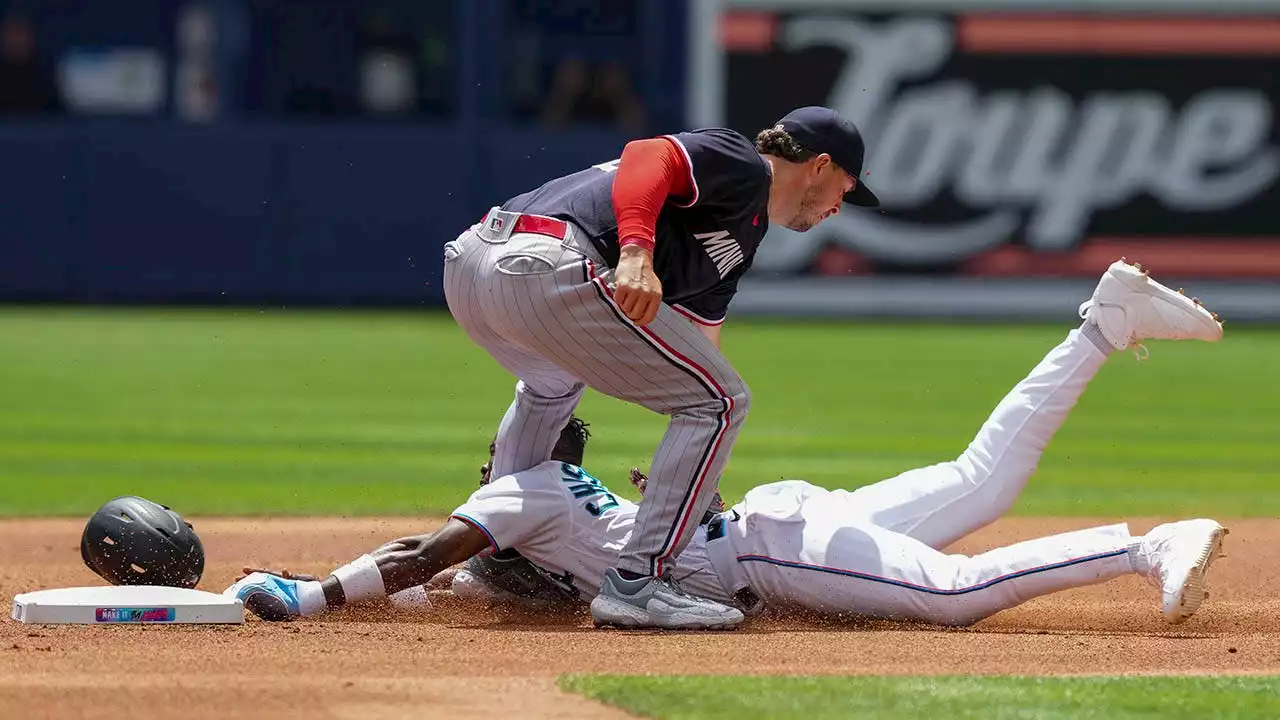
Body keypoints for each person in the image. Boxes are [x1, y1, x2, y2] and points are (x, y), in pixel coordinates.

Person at [227, 259, 1228, 628]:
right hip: (773, 526)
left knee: (955, 595)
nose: (476, 490)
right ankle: (1101, 323)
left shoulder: (516, 498)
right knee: (978, 481)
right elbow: (443, 583)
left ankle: (1141, 545)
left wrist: (305, 596)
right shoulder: (543, 511)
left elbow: (417, 561)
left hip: (770, 548)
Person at [442, 105, 880, 629]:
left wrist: (695, 479)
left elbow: (697, 351)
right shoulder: (745, 164)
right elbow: (648, 155)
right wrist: (635, 251)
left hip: (475, 269)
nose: (839, 207)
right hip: (546, 262)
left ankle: (499, 558)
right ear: (820, 164)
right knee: (723, 403)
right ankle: (636, 583)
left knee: (553, 385)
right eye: (846, 189)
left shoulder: (740, 237)